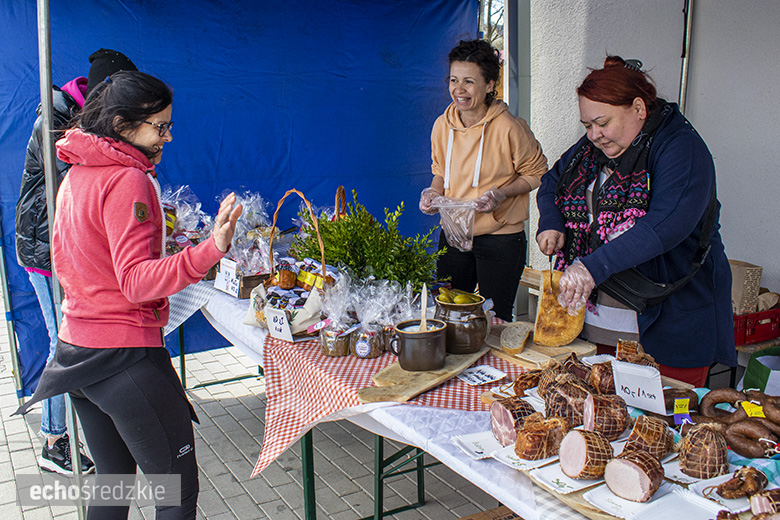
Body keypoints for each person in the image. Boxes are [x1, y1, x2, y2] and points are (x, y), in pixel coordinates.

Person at [17, 70, 243, 519]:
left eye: (169, 125)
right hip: (122, 359)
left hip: (77, 355)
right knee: (175, 495)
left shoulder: (76, 172)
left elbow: (68, 266)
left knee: (112, 487)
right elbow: (137, 282)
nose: (168, 137)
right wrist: (210, 250)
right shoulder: (127, 180)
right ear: (121, 126)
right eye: (159, 126)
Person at [536, 55, 736, 388]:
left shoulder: (681, 148)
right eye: (587, 125)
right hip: (594, 333)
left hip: (667, 334)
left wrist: (590, 267)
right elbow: (551, 183)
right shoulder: (591, 150)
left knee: (659, 432)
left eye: (602, 122)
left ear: (639, 109)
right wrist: (551, 222)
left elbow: (666, 224)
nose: (594, 134)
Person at [14, 48, 137, 475]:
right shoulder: (59, 124)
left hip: (65, 248)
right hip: (47, 251)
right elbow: (76, 190)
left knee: (74, 342)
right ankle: (54, 442)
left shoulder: (85, 118)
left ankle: (97, 424)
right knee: (61, 344)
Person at [419, 39, 548, 322]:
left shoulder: (509, 127)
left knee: (495, 319)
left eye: (469, 81)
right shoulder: (442, 125)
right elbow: (440, 171)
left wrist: (500, 194)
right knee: (449, 315)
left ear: (490, 84)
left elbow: (536, 172)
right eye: (453, 80)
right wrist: (433, 191)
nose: (459, 89)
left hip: (501, 238)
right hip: (453, 235)